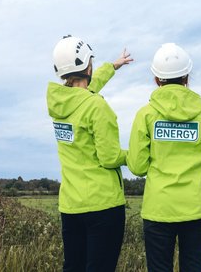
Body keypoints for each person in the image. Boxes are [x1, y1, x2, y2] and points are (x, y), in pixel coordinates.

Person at [127, 43, 201, 272]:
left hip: (159, 208)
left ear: (156, 80)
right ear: (187, 77)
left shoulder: (146, 114)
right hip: (195, 207)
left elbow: (137, 166)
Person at [47, 35, 133, 272]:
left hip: (71, 206)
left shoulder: (59, 105)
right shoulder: (96, 106)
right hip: (102, 205)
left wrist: (113, 67)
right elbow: (110, 157)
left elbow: (85, 91)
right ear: (88, 65)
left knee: (73, 267)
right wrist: (134, 154)